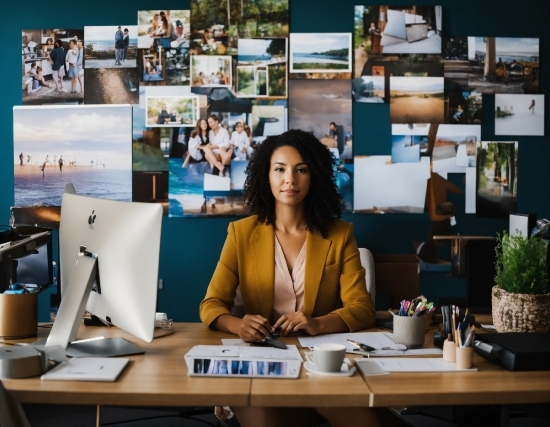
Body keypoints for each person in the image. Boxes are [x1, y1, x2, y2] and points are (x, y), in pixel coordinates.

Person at [200, 129, 380, 427]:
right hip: (259, 363)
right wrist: (239, 324)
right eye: (280, 169)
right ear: (266, 176)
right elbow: (211, 304)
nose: (290, 180)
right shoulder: (241, 233)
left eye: (302, 170)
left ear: (316, 176)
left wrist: (317, 323)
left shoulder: (340, 235)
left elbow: (362, 308)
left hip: (321, 366)